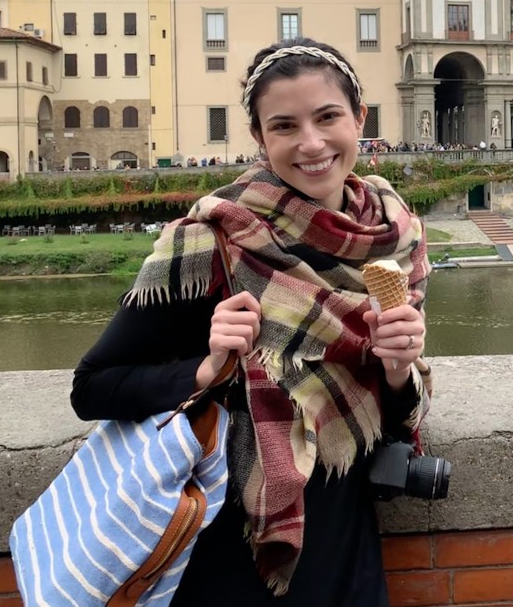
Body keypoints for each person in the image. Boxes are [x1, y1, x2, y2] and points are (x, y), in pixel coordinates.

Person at [72, 38, 432, 605]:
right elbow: (92, 387)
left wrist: (397, 369)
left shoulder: (397, 237)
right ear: (260, 138)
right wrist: (208, 369)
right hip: (230, 552)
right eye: (285, 126)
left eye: (328, 117)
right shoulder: (210, 239)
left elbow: (390, 424)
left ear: (359, 119)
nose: (311, 143)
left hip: (343, 549)